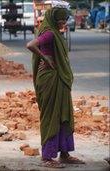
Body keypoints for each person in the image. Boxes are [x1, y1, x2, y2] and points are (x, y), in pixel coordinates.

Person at [26, 8, 86, 168]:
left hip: (59, 78)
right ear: (54, 20)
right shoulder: (50, 33)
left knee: (63, 115)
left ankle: (64, 154)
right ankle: (47, 157)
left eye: (65, 20)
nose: (64, 23)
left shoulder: (56, 33)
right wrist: (46, 58)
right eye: (61, 20)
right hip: (50, 78)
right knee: (51, 116)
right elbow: (30, 45)